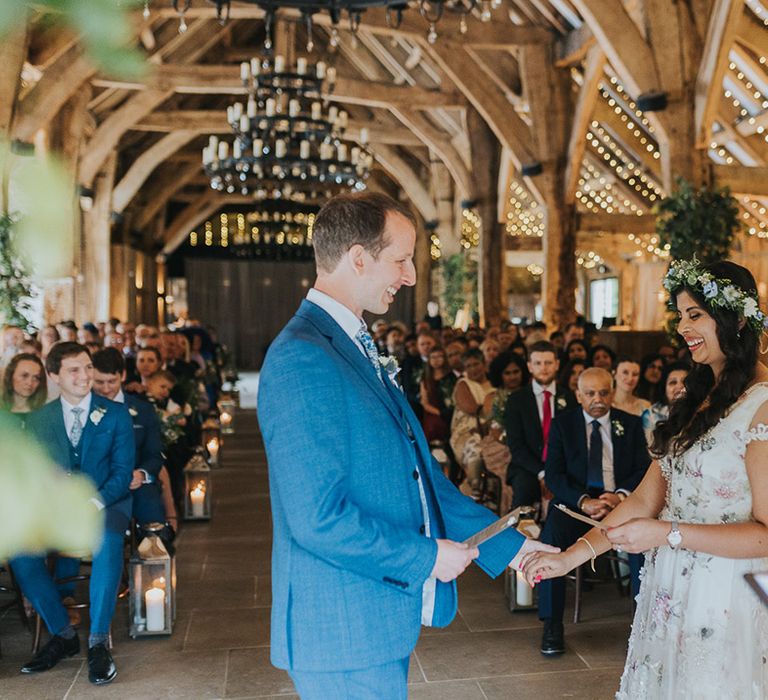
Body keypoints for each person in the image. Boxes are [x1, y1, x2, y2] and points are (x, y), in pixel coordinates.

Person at [257, 192, 555, 698]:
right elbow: (317, 519)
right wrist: (424, 558)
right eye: (400, 259)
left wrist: (515, 547)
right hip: (342, 627)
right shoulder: (302, 359)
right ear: (357, 258)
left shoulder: (351, 344)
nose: (411, 276)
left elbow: (422, 478)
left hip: (371, 622)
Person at [522, 260, 768, 698]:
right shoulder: (697, 399)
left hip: (728, 592)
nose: (683, 327)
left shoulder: (762, 406)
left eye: (695, 314)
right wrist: (568, 559)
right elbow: (642, 501)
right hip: (671, 586)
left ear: (738, 318)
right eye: (680, 315)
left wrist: (668, 534)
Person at [10, 342, 134, 685]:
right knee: (20, 552)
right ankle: (63, 635)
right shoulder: (39, 420)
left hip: (108, 502)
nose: (85, 376)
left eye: (88, 367)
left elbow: (123, 473)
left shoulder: (116, 414)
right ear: (54, 376)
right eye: (74, 370)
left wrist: (92, 502)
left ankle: (97, 643)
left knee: (107, 541)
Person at [536, 367, 651, 656]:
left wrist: (621, 495)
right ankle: (552, 624)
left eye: (603, 392)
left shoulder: (632, 424)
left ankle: (642, 623)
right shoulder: (563, 425)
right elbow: (554, 476)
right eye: (590, 393)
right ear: (578, 395)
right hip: (577, 507)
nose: (597, 399)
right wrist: (584, 500)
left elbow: (644, 469)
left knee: (644, 540)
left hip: (620, 505)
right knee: (552, 538)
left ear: (612, 393)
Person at [91, 349, 169, 538]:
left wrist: (142, 474)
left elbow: (154, 454)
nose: (106, 389)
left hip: (135, 484)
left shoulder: (143, 409)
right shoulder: (84, 409)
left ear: (123, 375)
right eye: (99, 382)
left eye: (112, 382)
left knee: (152, 511)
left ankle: (155, 554)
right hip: (97, 484)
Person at [505, 341, 577, 510]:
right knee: (524, 489)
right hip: (528, 466)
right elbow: (516, 446)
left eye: (548, 363)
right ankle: (521, 532)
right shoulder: (516, 400)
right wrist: (543, 472)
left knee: (572, 490)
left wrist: (555, 471)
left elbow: (573, 440)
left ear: (557, 364)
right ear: (529, 366)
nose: (543, 368)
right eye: (538, 363)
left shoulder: (569, 398)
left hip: (562, 465)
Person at [449, 348, 494, 497]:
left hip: (492, 431)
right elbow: (471, 408)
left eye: (476, 364)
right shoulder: (463, 384)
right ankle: (474, 490)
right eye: (468, 366)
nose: (473, 369)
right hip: (466, 433)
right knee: (476, 448)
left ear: (484, 363)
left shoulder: (493, 384)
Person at [641, 361, 690, 443]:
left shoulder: (701, 411)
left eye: (685, 382)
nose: (679, 386)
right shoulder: (652, 415)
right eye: (673, 382)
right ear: (664, 389)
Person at [0, 352, 47, 426]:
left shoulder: (46, 414)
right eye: (24, 376)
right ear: (10, 376)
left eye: (36, 378)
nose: (29, 382)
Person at [419, 347, 451, 443]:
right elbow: (424, 403)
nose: (436, 360)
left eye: (439, 357)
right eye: (433, 357)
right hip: (433, 412)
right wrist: (440, 413)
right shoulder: (426, 379)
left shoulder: (451, 376)